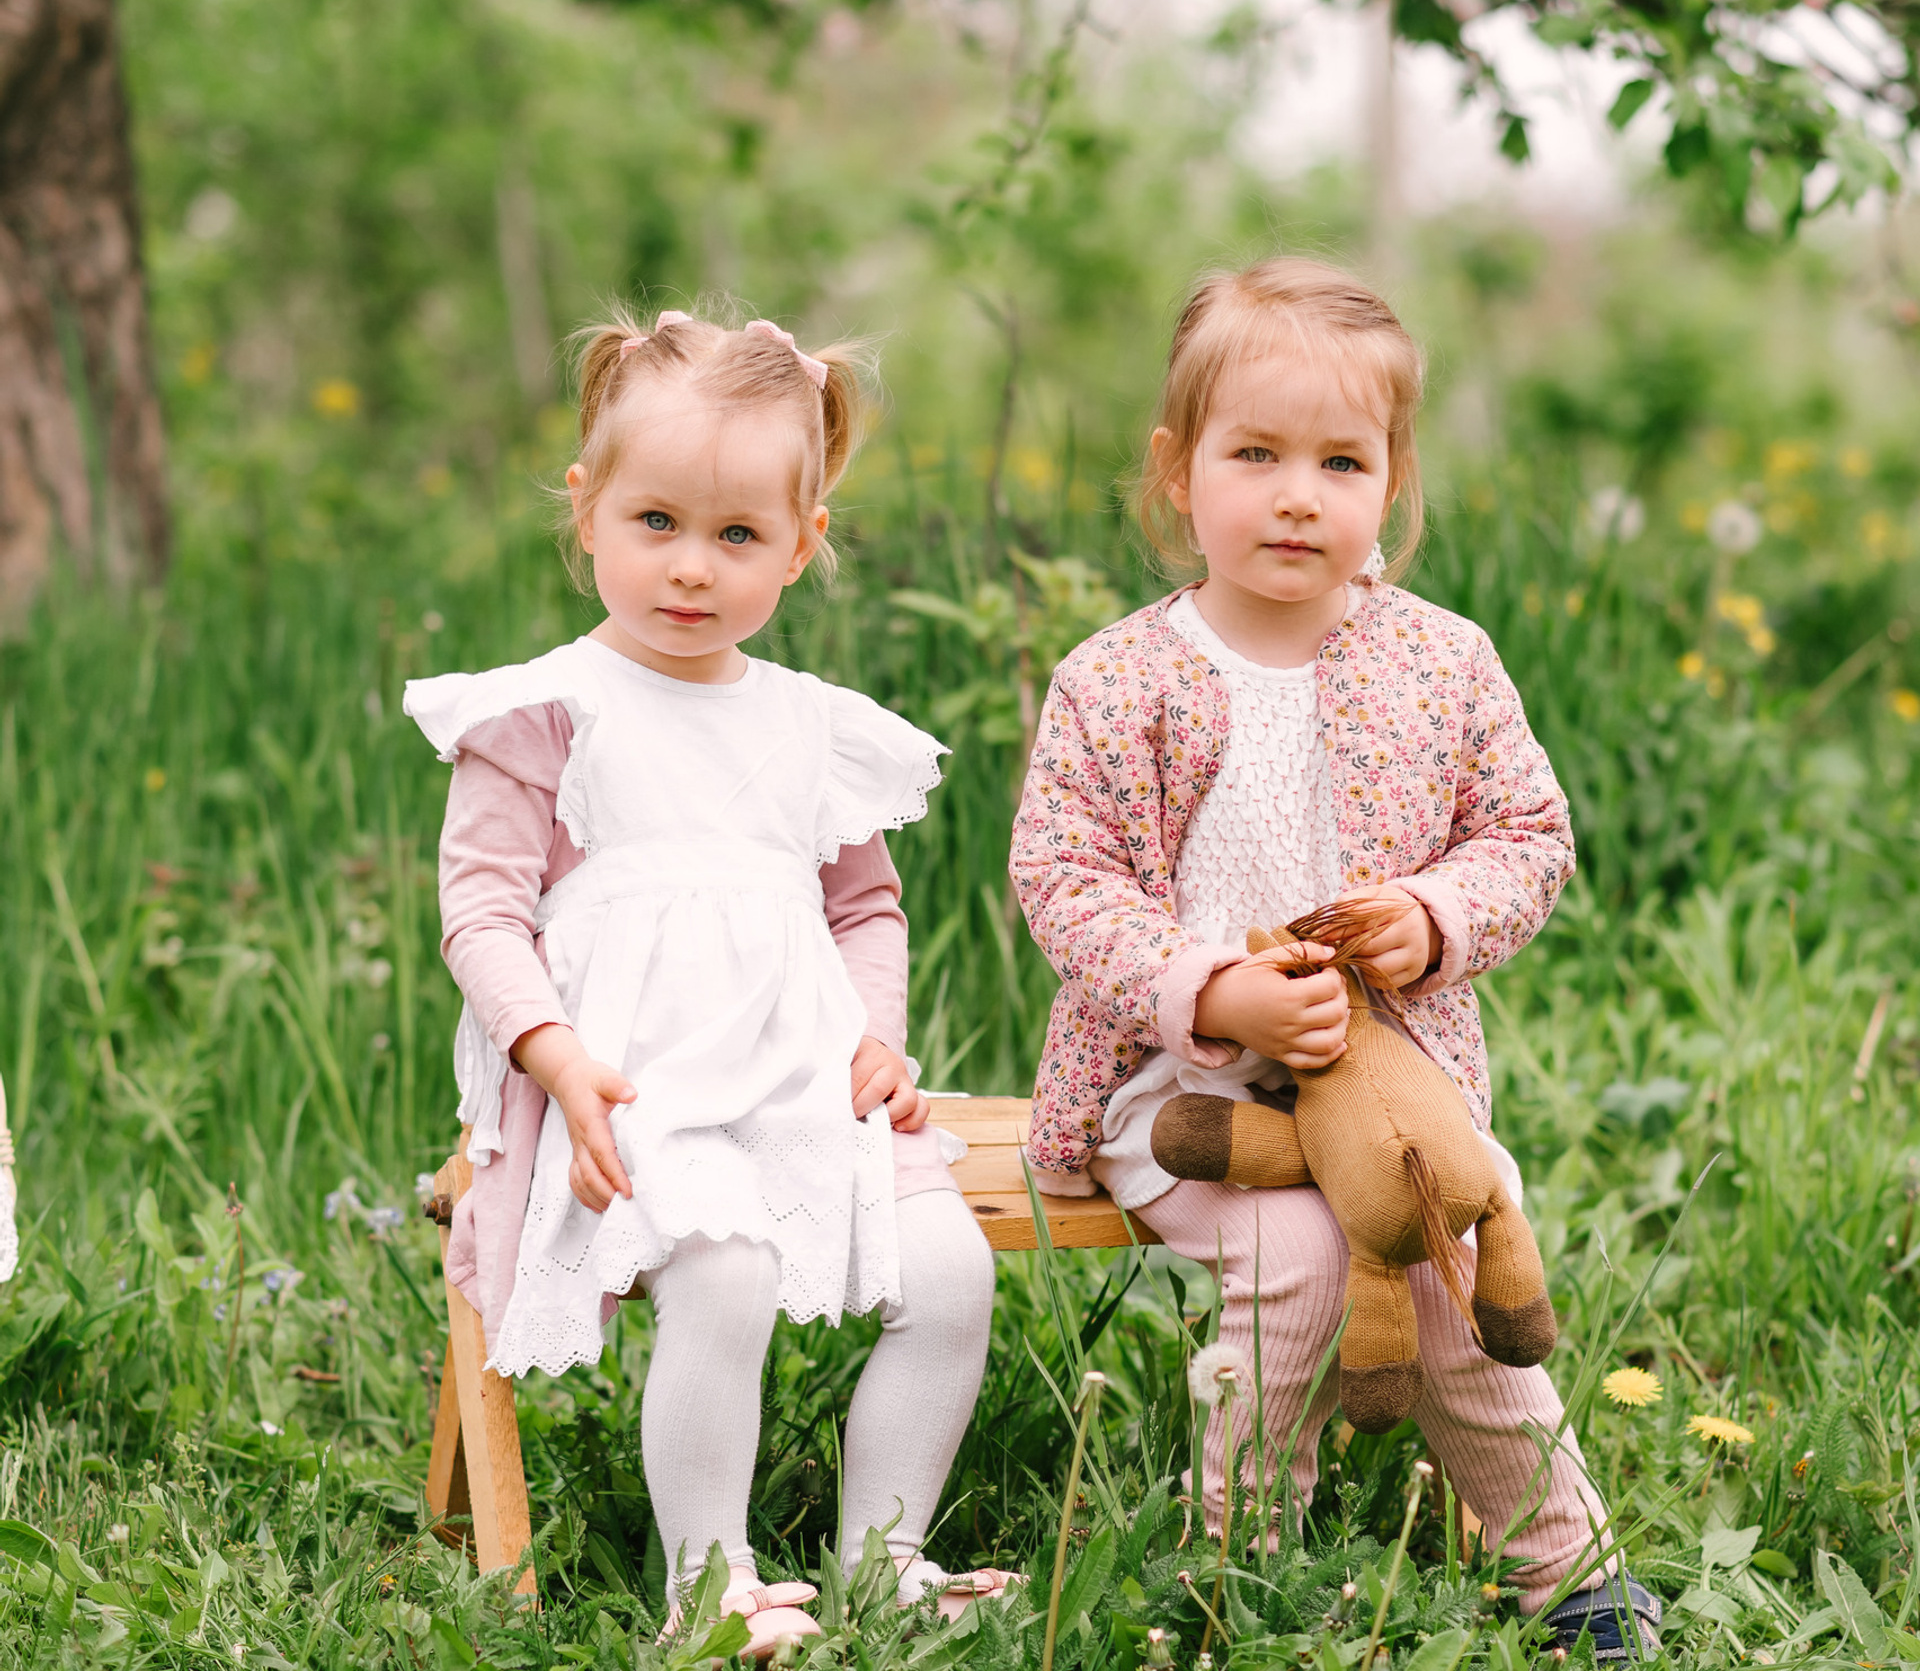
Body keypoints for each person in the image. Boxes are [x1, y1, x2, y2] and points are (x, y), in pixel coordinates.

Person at [1008, 258, 1659, 1661]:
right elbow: (1062, 877)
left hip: (1391, 1092)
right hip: (1181, 1102)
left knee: (1445, 1264)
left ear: (1391, 483)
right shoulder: (1117, 679)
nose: (1299, 493)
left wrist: (1434, 918)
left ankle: (1573, 1573)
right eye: (1256, 454)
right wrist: (1210, 990)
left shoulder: (1444, 661)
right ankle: (1239, 1567)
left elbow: (1527, 835)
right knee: (1300, 1261)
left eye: (1341, 460)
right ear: (1179, 474)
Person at [406, 308, 1005, 1651]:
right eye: (656, 522)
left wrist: (882, 1039)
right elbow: (481, 913)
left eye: (738, 536)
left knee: (952, 1272)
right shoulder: (546, 711)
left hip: (803, 1080)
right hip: (630, 1091)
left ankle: (881, 1557)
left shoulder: (807, 725)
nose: (692, 567)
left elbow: (868, 907)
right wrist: (551, 1052)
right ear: (588, 508)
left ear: (802, 545)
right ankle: (708, 1586)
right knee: (724, 1276)